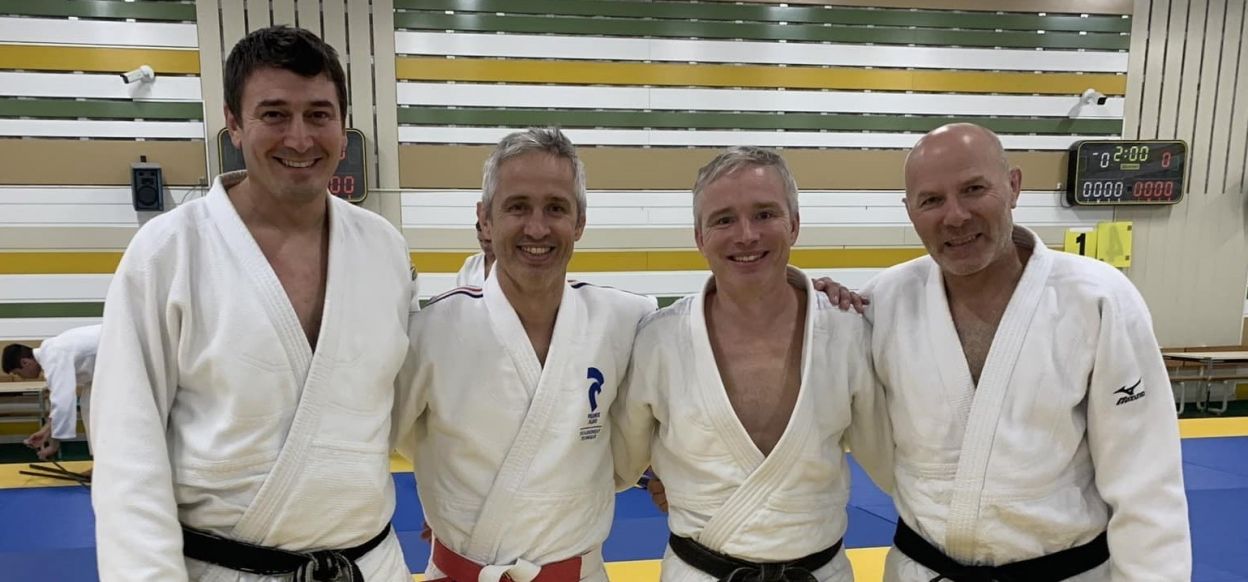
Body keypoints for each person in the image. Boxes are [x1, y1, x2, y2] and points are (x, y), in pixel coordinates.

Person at [89, 26, 414, 581]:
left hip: (370, 564)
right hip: (224, 570)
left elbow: (404, 405)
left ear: (343, 124)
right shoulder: (168, 252)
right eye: (273, 114)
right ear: (233, 124)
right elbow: (127, 451)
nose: (300, 138)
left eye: (319, 114)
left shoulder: (383, 246)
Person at [865, 123, 1190, 581]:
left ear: (1014, 186)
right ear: (910, 210)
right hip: (923, 570)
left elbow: (1146, 480)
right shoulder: (882, 303)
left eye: (974, 189)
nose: (955, 216)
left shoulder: (1098, 299)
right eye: (931, 200)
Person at [611, 147, 894, 582]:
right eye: (723, 219)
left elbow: (891, 461)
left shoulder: (847, 333)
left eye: (765, 214)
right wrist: (661, 476)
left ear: (794, 224)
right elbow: (620, 460)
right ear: (699, 237)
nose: (746, 235)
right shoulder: (658, 341)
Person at [392, 127, 657, 582]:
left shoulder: (627, 320)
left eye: (556, 208)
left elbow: (711, 337)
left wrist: (807, 302)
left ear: (580, 221)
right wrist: (456, 503)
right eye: (517, 207)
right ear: (486, 219)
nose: (537, 227)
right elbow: (391, 440)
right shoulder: (429, 333)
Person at [3, 325, 101, 461]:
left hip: (122, 351)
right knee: (88, 406)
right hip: (106, 365)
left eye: (18, 373)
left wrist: (54, 445)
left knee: (102, 413)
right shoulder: (50, 352)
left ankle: (108, 466)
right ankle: (99, 463)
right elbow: (58, 403)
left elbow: (63, 402)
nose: (22, 377)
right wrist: (46, 430)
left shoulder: (53, 356)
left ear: (25, 363)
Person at [454, 214, 494, 287]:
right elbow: (458, 291)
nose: (484, 245)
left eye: (488, 241)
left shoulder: (510, 263)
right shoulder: (471, 262)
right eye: (480, 240)